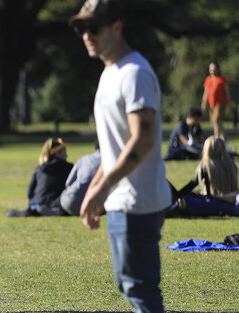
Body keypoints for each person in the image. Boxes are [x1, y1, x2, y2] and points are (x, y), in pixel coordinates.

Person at [69, 0, 172, 312]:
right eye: (81, 29)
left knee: (139, 289)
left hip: (136, 202)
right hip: (122, 200)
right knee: (130, 285)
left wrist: (103, 187)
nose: (87, 35)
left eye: (94, 28)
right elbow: (114, 147)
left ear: (117, 26)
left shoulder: (134, 73)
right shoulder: (109, 72)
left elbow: (142, 140)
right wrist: (95, 189)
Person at [167, 136, 239, 217]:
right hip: (233, 205)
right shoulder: (232, 164)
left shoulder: (206, 166)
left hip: (215, 205)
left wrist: (178, 195)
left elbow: (191, 185)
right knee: (197, 192)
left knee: (186, 200)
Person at [4, 138, 73, 217]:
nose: (66, 155)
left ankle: (32, 210)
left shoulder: (39, 168)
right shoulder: (68, 167)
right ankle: (53, 211)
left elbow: (30, 191)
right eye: (64, 152)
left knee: (40, 207)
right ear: (57, 153)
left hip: (35, 203)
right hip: (52, 203)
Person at [59, 140, 101, 216]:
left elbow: (68, 183)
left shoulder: (83, 159)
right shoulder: (109, 160)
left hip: (68, 201)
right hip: (91, 202)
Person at [201, 61, 231, 139]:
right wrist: (204, 103)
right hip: (211, 104)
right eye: (211, 69)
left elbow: (227, 92)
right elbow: (206, 92)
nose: (212, 71)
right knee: (218, 122)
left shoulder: (222, 79)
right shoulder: (208, 79)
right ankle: (223, 138)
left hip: (220, 103)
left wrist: (229, 103)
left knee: (216, 120)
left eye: (214, 69)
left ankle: (216, 138)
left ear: (217, 69)